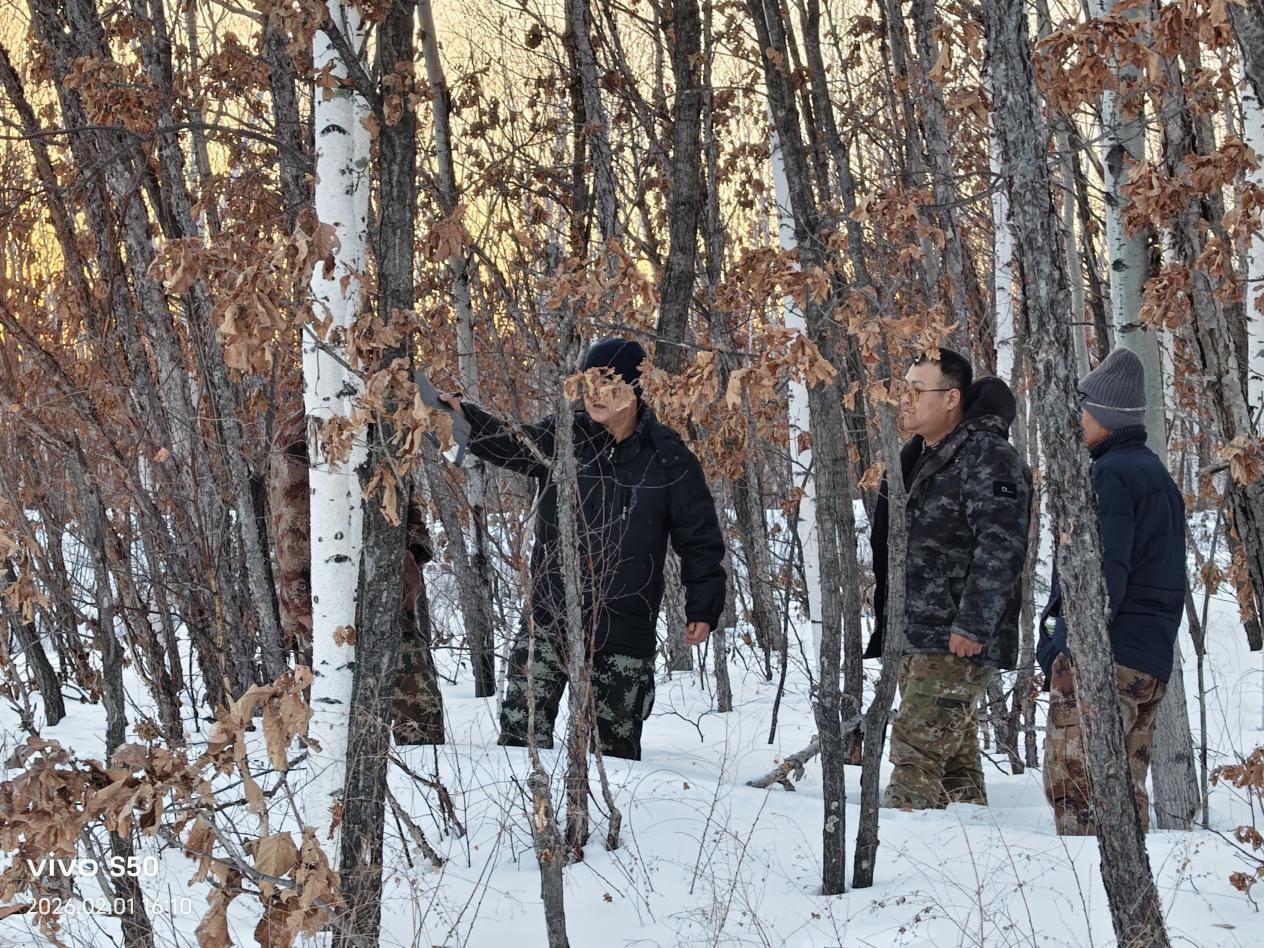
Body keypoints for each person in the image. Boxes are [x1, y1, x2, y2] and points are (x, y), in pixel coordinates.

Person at [438, 337, 726, 760]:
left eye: (608, 383)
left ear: (635, 389)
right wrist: (464, 417)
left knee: (615, 757)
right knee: (519, 744)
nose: (595, 394)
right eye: (589, 383)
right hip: (549, 615)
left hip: (625, 627)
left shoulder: (669, 459)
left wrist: (703, 606)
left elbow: (700, 540)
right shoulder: (563, 437)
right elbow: (511, 443)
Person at [875, 349, 1033, 809]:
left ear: (951, 399)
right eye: (902, 389)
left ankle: (902, 833)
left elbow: (1001, 546)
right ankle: (969, 835)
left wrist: (973, 625)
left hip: (955, 636)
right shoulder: (918, 457)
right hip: (917, 632)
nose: (905, 400)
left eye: (916, 390)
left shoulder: (987, 456)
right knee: (953, 763)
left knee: (916, 751)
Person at [1037, 347, 1185, 835]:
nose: (1074, 422)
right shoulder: (1156, 475)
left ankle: (1090, 882)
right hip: (1148, 661)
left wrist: (1065, 648)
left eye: (1081, 412)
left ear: (1104, 417)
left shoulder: (1110, 474)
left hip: (1106, 660)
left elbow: (1100, 578)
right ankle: (1131, 882)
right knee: (1123, 795)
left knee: (1079, 793)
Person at [269, 405, 445, 745]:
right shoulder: (304, 429)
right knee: (335, 730)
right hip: (326, 606)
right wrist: (302, 600)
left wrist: (412, 551)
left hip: (389, 594)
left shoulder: (381, 417)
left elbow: (403, 491)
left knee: (419, 722)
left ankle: (426, 777)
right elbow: (290, 518)